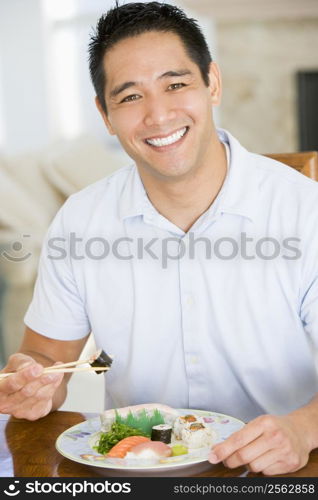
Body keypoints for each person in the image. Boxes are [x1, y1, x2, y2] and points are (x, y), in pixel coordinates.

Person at [1, 1, 318, 476]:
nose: (158, 115)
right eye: (130, 97)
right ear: (105, 115)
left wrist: (304, 428)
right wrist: (29, 381)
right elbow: (47, 358)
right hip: (136, 468)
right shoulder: (81, 220)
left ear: (212, 83)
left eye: (176, 85)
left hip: (282, 469)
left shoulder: (304, 210)